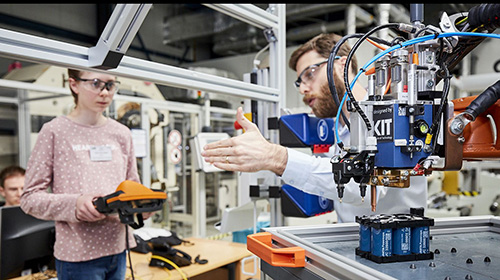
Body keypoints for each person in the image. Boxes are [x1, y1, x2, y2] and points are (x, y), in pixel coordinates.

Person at [201, 33, 427, 223]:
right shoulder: (340, 130)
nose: (303, 89)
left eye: (310, 73)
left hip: (397, 253)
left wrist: (277, 158)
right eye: (299, 81)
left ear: (341, 64)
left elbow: (367, 189)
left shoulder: (391, 116)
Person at [20, 69, 151, 279]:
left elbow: (132, 186)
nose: (105, 92)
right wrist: (75, 204)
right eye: (96, 83)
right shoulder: (54, 131)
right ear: (74, 84)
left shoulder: (121, 134)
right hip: (78, 257)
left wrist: (141, 206)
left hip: (118, 250)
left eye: (110, 85)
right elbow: (29, 199)